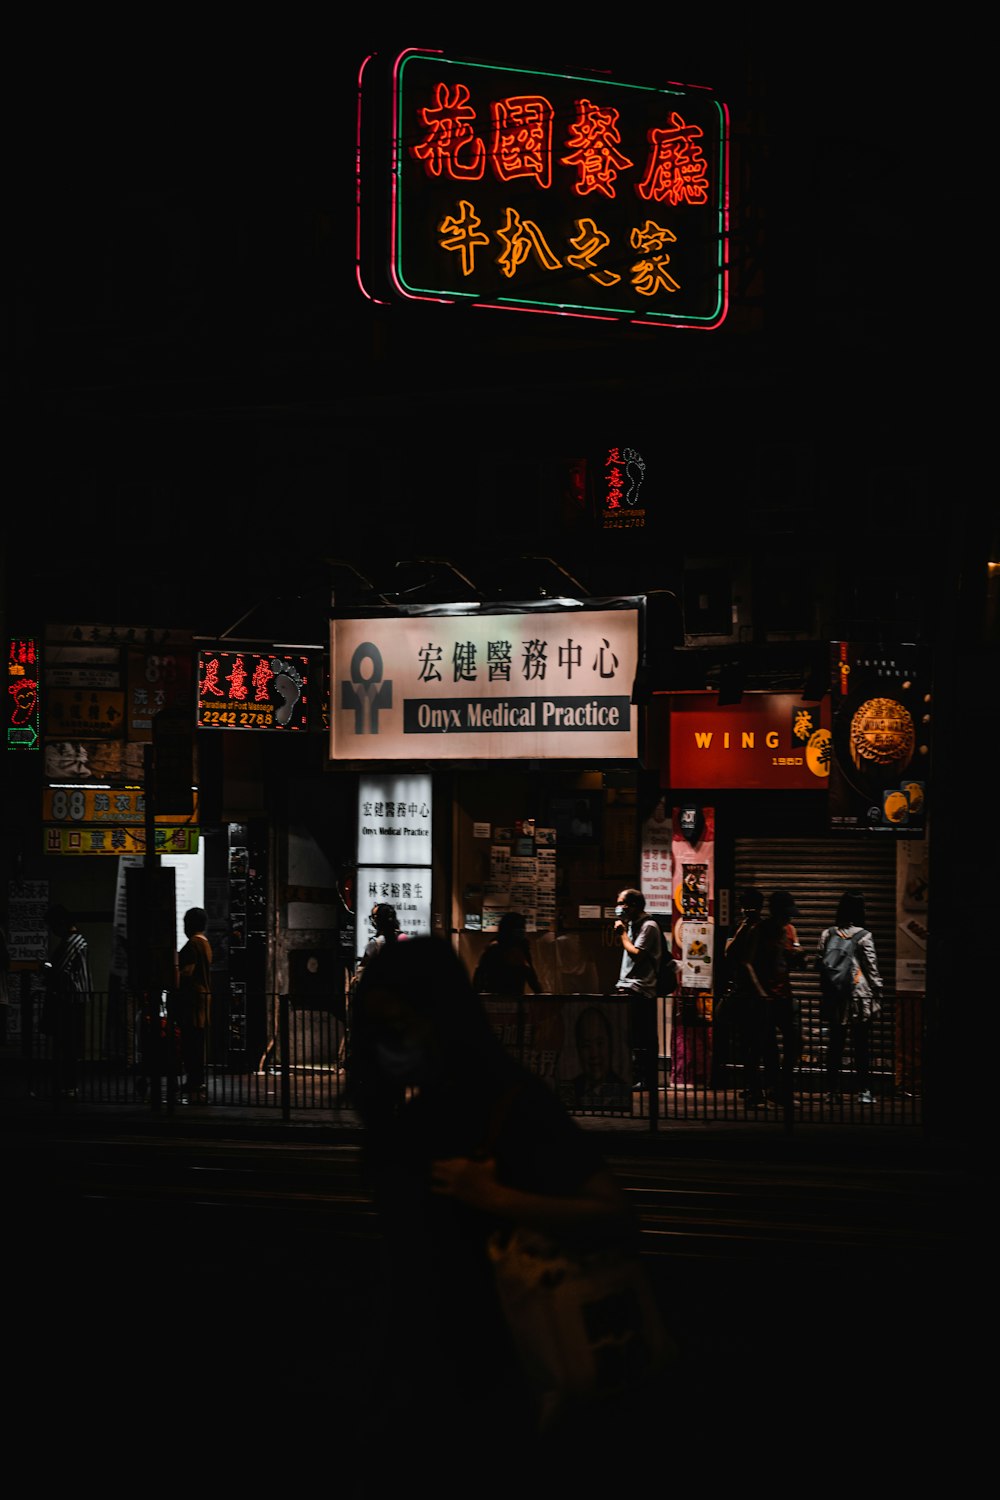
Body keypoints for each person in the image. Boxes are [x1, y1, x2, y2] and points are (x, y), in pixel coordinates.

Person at [346, 935, 651, 1493]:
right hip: (420, 1378)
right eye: (378, 1028)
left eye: (400, 1024)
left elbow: (614, 1214)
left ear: (439, 1016)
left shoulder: (509, 1102)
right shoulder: (409, 1112)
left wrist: (493, 1196)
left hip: (502, 1373)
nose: (389, 1043)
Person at [818, 889, 883, 1104]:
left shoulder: (828, 933)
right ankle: (864, 1090)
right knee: (861, 1045)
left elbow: (821, 963)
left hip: (837, 996)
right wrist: (878, 992)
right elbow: (871, 968)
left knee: (835, 1044)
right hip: (858, 996)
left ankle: (831, 1091)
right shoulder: (864, 936)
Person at [753, 889, 807, 1106]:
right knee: (769, 1047)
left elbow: (795, 961)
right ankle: (772, 1089)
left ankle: (783, 1086)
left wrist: (799, 955)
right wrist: (760, 993)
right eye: (785, 914)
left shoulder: (791, 930)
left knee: (796, 1040)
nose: (788, 918)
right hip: (766, 996)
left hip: (785, 994)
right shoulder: (761, 931)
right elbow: (750, 962)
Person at [721, 887, 770, 1107]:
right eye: (745, 906)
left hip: (758, 994)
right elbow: (728, 952)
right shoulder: (737, 927)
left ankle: (760, 1089)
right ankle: (752, 1087)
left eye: (752, 907)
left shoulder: (765, 929)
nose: (748, 911)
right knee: (746, 1044)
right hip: (741, 993)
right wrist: (742, 929)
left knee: (759, 1044)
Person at [612, 887, 662, 1091]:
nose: (618, 908)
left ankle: (647, 1079)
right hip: (628, 986)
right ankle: (636, 1075)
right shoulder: (634, 925)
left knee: (644, 1036)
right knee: (631, 1036)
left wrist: (622, 934)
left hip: (641, 989)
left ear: (632, 905)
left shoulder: (649, 926)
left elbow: (636, 954)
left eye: (621, 903)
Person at [42, 905, 91, 1098]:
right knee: (71, 1044)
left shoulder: (71, 943)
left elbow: (57, 970)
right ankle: (68, 1085)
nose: (53, 931)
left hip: (68, 999)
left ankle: (67, 1086)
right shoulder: (80, 941)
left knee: (65, 1044)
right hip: (76, 998)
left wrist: (45, 969)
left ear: (61, 924)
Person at [174, 907, 212, 1103]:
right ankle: (197, 1079)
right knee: (198, 1042)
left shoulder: (192, 945)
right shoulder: (205, 944)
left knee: (191, 1043)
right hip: (203, 999)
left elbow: (186, 973)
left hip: (192, 1001)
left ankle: (194, 1080)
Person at [567, 1003, 631, 1107]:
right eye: (586, 1045)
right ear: (578, 1049)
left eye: (600, 1043)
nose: (594, 1054)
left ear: (610, 1045)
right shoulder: (571, 1089)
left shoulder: (622, 1091)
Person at [472, 911, 541, 998]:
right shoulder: (495, 949)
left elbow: (531, 976)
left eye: (522, 927)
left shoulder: (522, 948)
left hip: (514, 998)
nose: (522, 930)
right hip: (496, 998)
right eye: (517, 927)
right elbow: (480, 976)